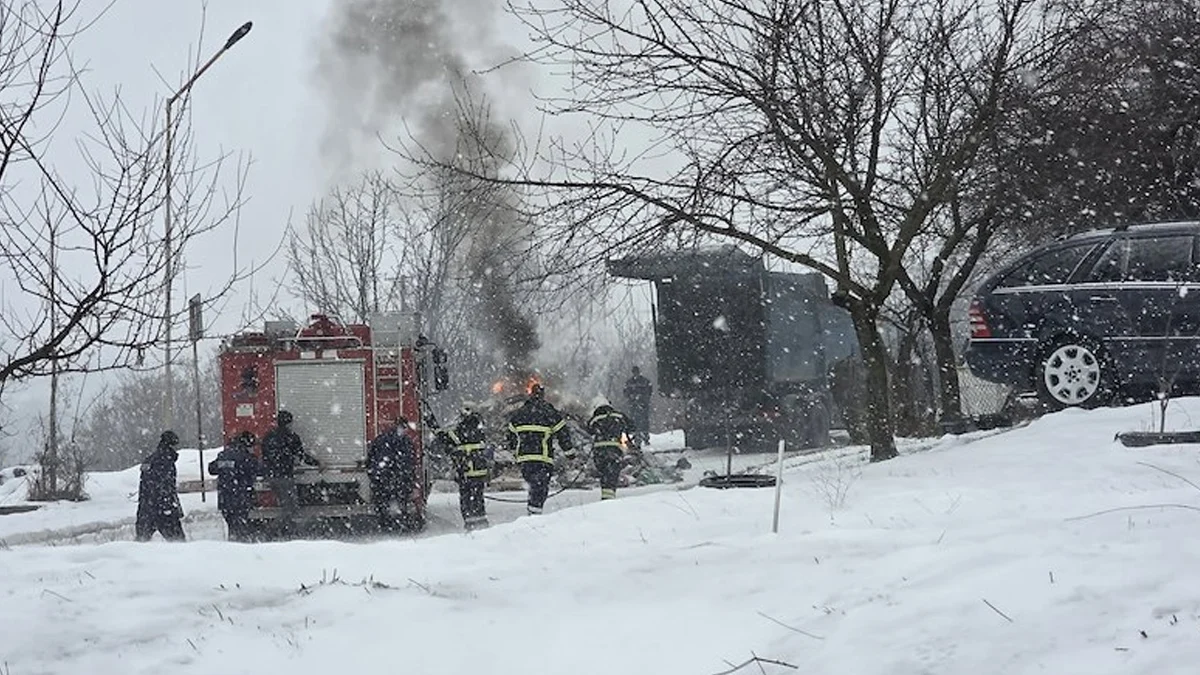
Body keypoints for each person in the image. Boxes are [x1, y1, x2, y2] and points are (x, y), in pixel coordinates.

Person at [507, 384, 573, 515]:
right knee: (540, 488)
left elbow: (510, 436)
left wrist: (515, 451)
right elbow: (562, 433)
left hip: (524, 459)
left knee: (534, 486)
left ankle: (533, 512)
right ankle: (534, 516)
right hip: (543, 458)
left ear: (530, 394)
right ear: (543, 395)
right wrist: (569, 453)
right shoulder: (549, 412)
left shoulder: (520, 413)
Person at [261, 410, 320, 537]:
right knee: (291, 508)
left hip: (270, 477)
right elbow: (301, 455)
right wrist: (317, 463)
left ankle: (286, 530)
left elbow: (265, 455)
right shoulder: (292, 437)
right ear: (289, 423)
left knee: (285, 505)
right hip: (284, 477)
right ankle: (275, 530)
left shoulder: (268, 436)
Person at [437, 406, 491, 531]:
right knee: (478, 497)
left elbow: (447, 440)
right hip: (479, 472)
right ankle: (482, 523)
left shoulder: (460, 431)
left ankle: (470, 524)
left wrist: (439, 432)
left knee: (467, 499)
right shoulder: (479, 431)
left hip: (466, 472)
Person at [207, 431, 263, 542]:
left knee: (232, 526)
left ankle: (233, 546)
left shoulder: (223, 455)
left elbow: (212, 469)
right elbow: (258, 470)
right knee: (241, 528)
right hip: (239, 497)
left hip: (224, 498)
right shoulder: (245, 457)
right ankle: (239, 550)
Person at [366, 419, 416, 532]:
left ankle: (385, 524)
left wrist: (374, 474)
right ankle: (399, 526)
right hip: (397, 479)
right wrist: (409, 479)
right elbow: (410, 462)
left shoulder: (381, 439)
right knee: (400, 504)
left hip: (383, 479)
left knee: (383, 504)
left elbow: (371, 458)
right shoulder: (406, 442)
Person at [136, 430, 185, 542]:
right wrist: (170, 507)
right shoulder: (166, 460)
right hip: (163, 508)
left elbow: (145, 484)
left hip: (146, 508)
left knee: (140, 546)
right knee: (179, 544)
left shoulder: (149, 459)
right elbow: (166, 486)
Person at [587, 399, 638, 500]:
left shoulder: (595, 418)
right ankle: (609, 499)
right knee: (612, 475)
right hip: (614, 451)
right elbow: (632, 427)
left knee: (604, 475)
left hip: (599, 453)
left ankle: (606, 495)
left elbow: (589, 430)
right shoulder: (619, 416)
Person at [623, 366, 653, 445]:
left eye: (636, 372)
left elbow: (649, 392)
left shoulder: (645, 381)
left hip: (643, 405)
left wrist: (642, 397)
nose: (635, 374)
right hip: (634, 405)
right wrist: (631, 397)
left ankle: (645, 438)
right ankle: (637, 438)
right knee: (635, 422)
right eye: (634, 372)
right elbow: (625, 392)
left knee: (644, 422)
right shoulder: (629, 382)